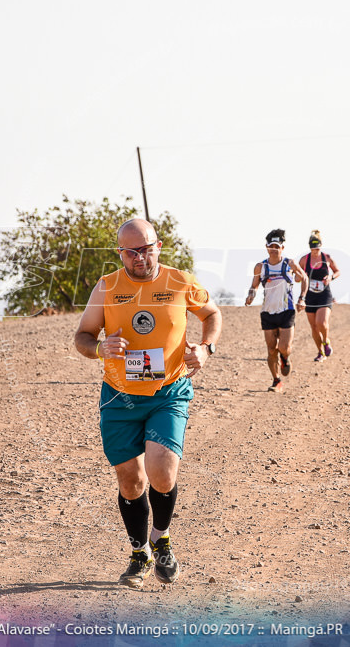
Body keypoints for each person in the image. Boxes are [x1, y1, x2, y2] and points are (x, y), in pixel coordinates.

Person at [73, 218, 222, 589]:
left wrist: (206, 348)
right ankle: (139, 552)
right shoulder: (107, 287)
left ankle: (162, 538)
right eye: (131, 251)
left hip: (168, 393)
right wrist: (99, 349)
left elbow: (213, 314)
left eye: (147, 248)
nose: (141, 257)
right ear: (119, 253)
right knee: (130, 480)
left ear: (159, 245)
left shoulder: (179, 281)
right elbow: (82, 336)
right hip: (120, 396)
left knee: (162, 471)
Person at [245, 229, 308, 393]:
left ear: (282, 247)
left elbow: (304, 278)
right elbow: (254, 285)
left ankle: (285, 358)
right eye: (271, 246)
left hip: (286, 311)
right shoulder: (261, 266)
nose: (274, 249)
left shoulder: (289, 264)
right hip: (267, 312)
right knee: (271, 349)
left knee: (284, 347)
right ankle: (276, 380)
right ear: (266, 247)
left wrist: (302, 298)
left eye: (277, 246)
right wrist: (250, 296)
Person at [299, 230, 340, 362]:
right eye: (313, 247)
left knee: (321, 323)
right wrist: (299, 277)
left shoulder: (326, 258)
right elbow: (297, 276)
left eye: (317, 247)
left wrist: (331, 277)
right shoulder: (304, 259)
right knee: (314, 327)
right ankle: (320, 352)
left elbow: (337, 271)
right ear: (309, 246)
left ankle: (326, 341)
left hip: (324, 295)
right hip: (310, 296)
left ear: (320, 246)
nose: (315, 250)